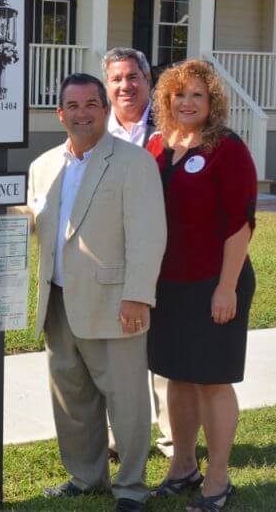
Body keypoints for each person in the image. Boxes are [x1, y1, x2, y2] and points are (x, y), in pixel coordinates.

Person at [26, 73, 166, 512]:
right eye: (73, 105)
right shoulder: (43, 166)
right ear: (60, 113)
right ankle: (86, 477)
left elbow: (148, 235)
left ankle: (130, 486)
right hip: (58, 301)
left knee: (125, 400)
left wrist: (137, 295)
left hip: (115, 302)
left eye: (91, 104)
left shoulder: (133, 162)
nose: (82, 112)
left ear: (105, 110)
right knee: (72, 398)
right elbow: (40, 225)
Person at [145, 59, 257, 511]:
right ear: (167, 100)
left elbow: (240, 223)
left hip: (215, 282)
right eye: (179, 95)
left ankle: (218, 478)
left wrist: (226, 287)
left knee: (212, 381)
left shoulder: (227, 148)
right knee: (177, 378)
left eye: (197, 95)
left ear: (212, 102)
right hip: (168, 286)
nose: (187, 102)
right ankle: (182, 467)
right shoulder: (158, 145)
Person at [102, 47, 172, 459]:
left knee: (162, 356)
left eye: (133, 77)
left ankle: (170, 440)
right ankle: (118, 439)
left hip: (162, 258)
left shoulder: (170, 126)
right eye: (116, 79)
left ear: (148, 81)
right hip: (111, 259)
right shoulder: (95, 128)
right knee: (118, 358)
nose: (125, 86)